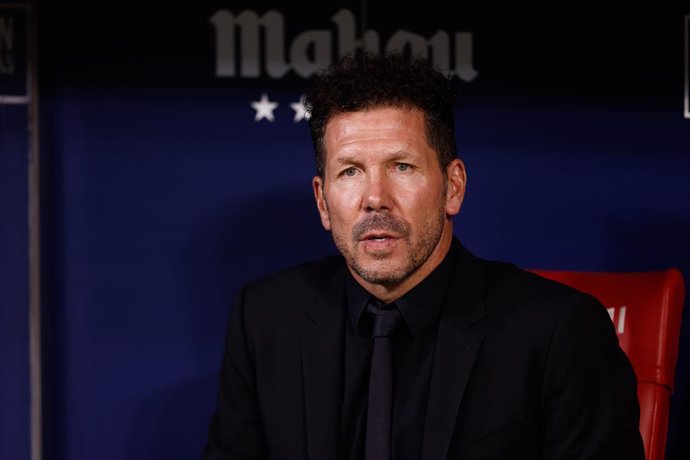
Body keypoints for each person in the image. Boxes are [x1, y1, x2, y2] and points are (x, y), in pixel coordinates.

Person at [202, 51, 644, 460]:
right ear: (322, 201)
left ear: (452, 187)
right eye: (350, 171)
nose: (375, 198)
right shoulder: (264, 320)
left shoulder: (557, 332)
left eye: (402, 166)